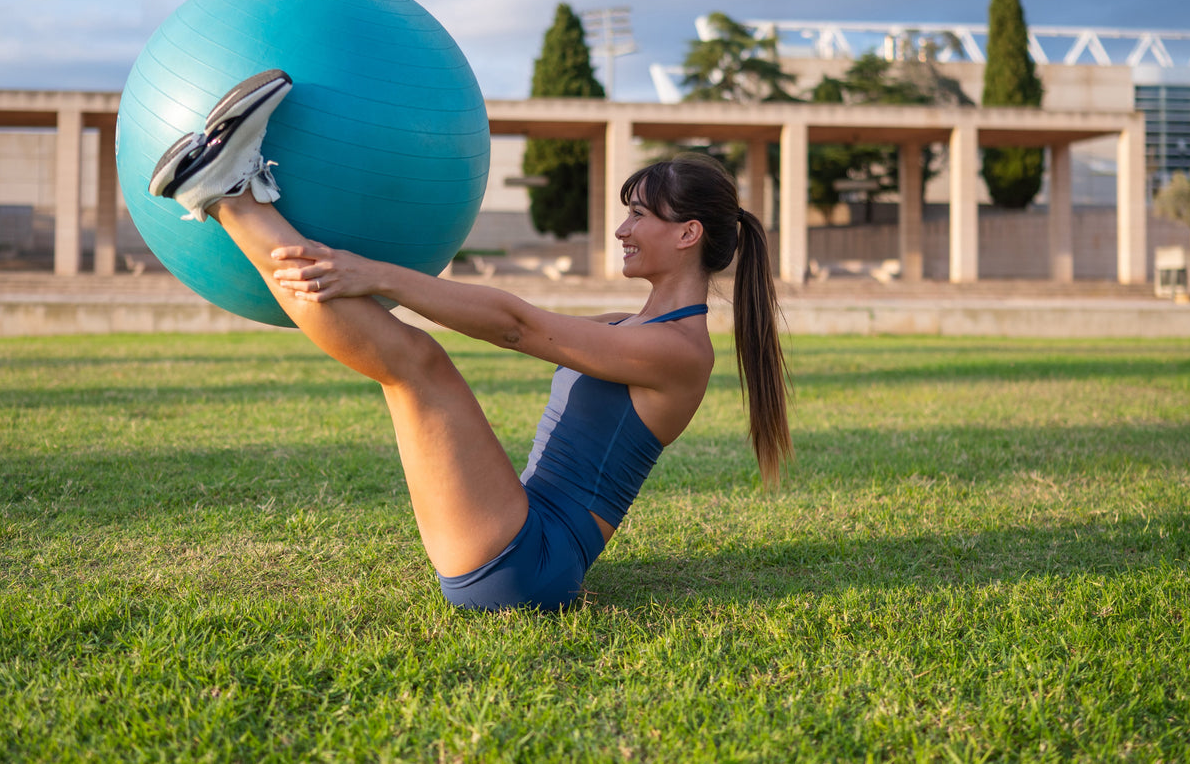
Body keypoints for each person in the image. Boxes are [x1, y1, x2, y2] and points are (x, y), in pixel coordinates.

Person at [149, 70, 791, 611]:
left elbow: (516, 326)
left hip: (527, 561)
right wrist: (380, 283)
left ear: (688, 235)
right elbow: (519, 318)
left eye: (640, 215)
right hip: (518, 533)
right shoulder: (632, 330)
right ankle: (231, 193)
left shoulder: (678, 352)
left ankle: (230, 195)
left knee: (416, 364)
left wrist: (378, 274)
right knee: (408, 362)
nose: (623, 229)